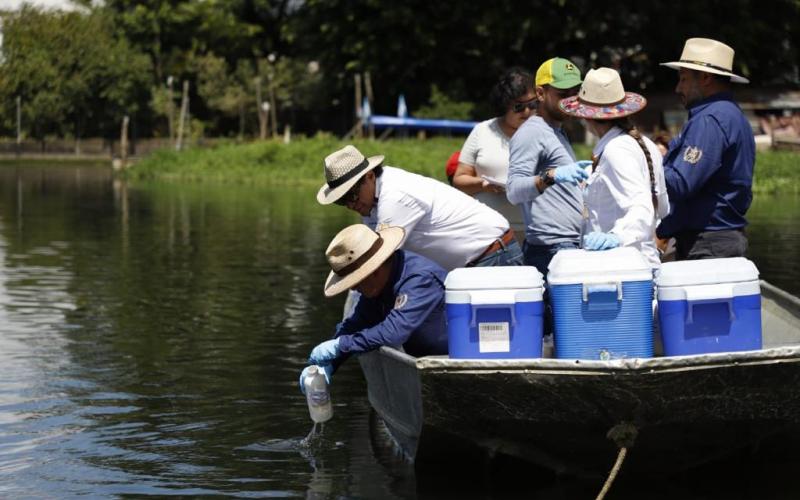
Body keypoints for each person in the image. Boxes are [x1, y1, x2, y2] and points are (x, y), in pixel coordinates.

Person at [317, 145, 523, 271]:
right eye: (342, 201)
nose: (350, 205)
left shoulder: (395, 195)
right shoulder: (371, 202)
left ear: (369, 176)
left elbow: (380, 261)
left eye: (352, 195)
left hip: (494, 256)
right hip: (474, 263)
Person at [298, 224, 448, 390]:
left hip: (454, 367)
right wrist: (330, 362)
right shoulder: (378, 286)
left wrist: (341, 345)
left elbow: (393, 332)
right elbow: (357, 323)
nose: (353, 288)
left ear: (374, 271)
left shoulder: (419, 279)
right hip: (429, 367)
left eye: (356, 281)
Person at [558, 67, 670, 269]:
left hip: (622, 265)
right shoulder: (646, 144)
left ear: (586, 117)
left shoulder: (615, 150)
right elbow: (662, 207)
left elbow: (643, 206)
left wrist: (616, 236)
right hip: (639, 261)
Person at [656, 38, 756, 260]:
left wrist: (644, 168)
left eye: (683, 79)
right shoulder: (731, 115)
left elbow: (681, 183)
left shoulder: (709, 119)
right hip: (719, 239)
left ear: (705, 78)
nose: (678, 88)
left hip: (708, 242)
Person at [506, 57, 588, 278]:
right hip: (551, 248)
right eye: (563, 94)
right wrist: (551, 177)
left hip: (565, 245)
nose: (571, 100)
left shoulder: (555, 130)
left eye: (575, 93)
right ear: (540, 93)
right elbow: (513, 190)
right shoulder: (532, 132)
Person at [453, 67, 535, 239]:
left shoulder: (545, 133)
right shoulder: (482, 131)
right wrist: (483, 184)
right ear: (504, 106)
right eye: (519, 107)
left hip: (533, 229)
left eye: (532, 105)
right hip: (487, 230)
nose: (527, 112)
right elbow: (459, 179)